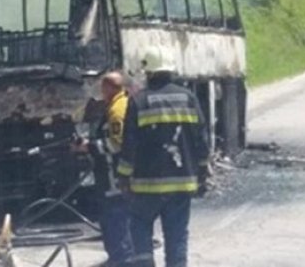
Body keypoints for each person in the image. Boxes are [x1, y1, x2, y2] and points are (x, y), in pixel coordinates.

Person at [117, 46, 210, 267]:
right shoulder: (188, 98)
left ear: (148, 72)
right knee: (177, 238)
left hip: (145, 186)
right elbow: (201, 139)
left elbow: (129, 143)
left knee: (140, 232)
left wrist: (123, 177)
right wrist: (203, 171)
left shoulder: (139, 101)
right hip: (181, 183)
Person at [72, 72, 134, 267]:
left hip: (112, 176)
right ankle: (120, 257)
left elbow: (117, 144)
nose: (101, 92)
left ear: (110, 88)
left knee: (114, 217)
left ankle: (121, 259)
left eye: (103, 87)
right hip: (113, 173)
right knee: (115, 216)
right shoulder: (120, 104)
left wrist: (88, 147)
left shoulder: (117, 110)